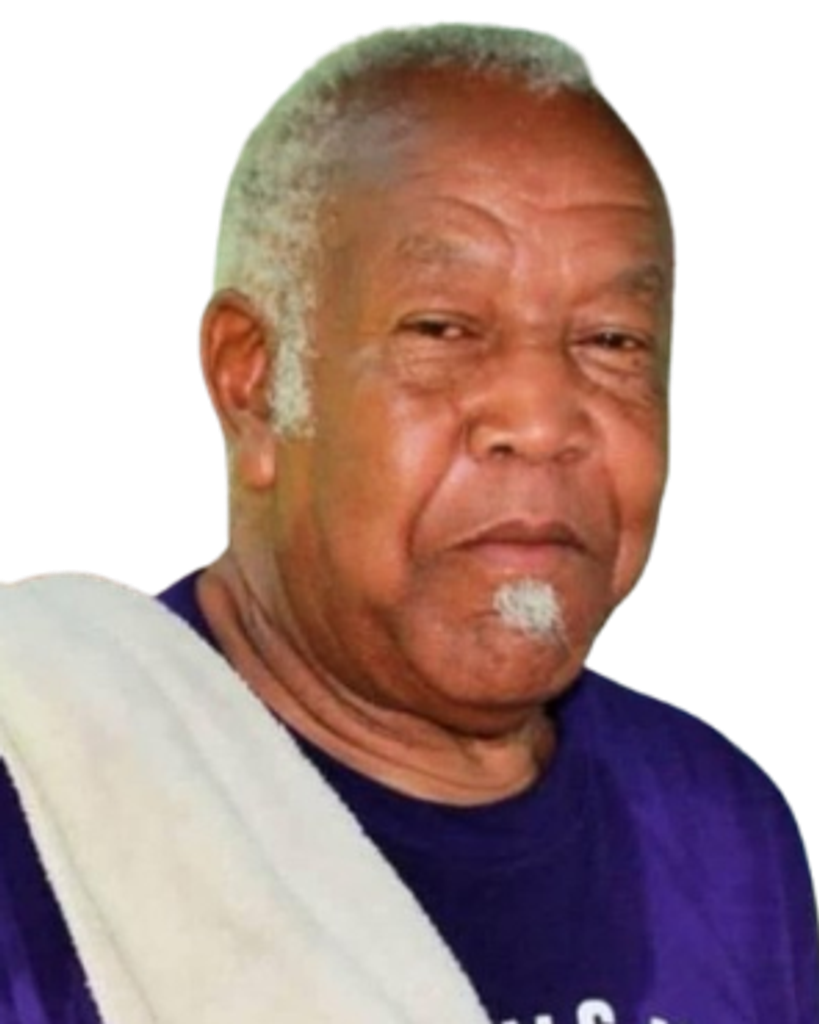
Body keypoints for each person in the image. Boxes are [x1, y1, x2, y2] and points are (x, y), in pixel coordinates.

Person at [0, 21, 816, 1024]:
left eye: (610, 341)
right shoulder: (47, 794)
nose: (542, 420)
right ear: (254, 384)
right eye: (443, 330)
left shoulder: (717, 832)